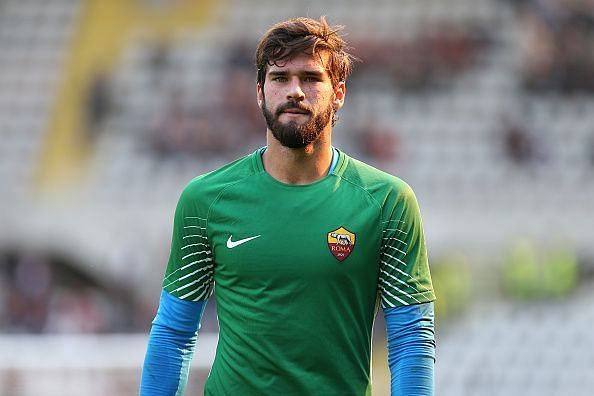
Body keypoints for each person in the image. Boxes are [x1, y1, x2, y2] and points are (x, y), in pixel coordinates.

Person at [140, 16, 436, 395]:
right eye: (280, 78)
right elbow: (172, 334)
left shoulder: (387, 203)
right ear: (260, 92)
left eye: (311, 78)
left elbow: (412, 340)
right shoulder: (206, 201)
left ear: (339, 93)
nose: (295, 91)